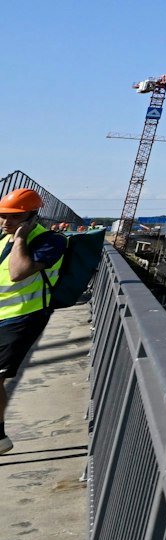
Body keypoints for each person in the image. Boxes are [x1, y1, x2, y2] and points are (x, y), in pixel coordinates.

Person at [0, 189, 66, 456]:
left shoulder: (52, 241)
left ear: (31, 218)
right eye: (2, 216)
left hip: (23, 317)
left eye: (14, 217)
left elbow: (17, 272)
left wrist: (20, 240)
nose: (6, 222)